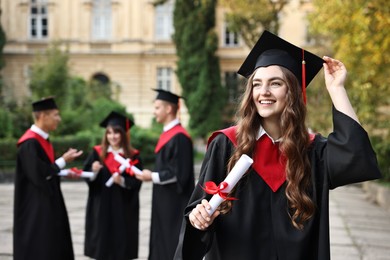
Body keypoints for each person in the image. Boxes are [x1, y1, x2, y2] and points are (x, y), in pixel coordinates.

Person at [174, 30, 382, 260]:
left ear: (291, 91)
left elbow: (356, 156)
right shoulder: (227, 144)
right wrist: (198, 217)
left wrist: (337, 90)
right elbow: (197, 211)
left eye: (275, 83)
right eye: (257, 84)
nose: (264, 92)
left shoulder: (312, 151)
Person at [14, 97, 83, 260]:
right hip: (35, 208)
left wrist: (65, 172)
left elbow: (46, 171)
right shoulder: (29, 143)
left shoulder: (41, 140)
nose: (58, 119)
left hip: (47, 203)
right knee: (42, 246)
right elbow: (39, 174)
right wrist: (63, 161)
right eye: (55, 115)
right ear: (43, 116)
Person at [135, 89, 195, 260]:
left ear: (168, 109)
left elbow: (180, 174)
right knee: (161, 236)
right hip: (164, 199)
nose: (154, 112)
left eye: (157, 107)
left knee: (171, 238)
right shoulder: (169, 134)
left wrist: (151, 176)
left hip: (174, 202)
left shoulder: (180, 137)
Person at [83, 111, 143, 260]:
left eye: (116, 132)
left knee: (121, 244)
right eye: (109, 133)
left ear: (123, 134)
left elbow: (137, 182)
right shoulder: (98, 153)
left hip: (123, 208)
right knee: (102, 244)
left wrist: (122, 181)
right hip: (101, 206)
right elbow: (88, 176)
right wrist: (94, 171)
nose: (112, 136)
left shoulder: (132, 156)